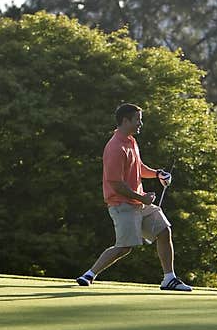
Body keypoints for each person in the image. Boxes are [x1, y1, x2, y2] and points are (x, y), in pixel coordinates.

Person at [75, 103, 192, 292]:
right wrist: (142, 197)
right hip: (121, 204)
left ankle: (169, 279)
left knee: (164, 230)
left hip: (139, 203)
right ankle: (89, 274)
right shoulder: (115, 147)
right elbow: (116, 184)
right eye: (137, 119)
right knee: (124, 247)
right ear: (125, 120)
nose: (141, 123)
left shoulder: (131, 141)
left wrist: (157, 174)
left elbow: (138, 168)